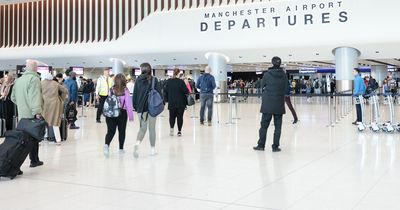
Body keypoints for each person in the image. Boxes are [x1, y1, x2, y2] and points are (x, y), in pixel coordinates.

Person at [11, 60, 44, 169]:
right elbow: (35, 98)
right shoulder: (34, 79)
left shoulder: (19, 80)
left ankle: (24, 162)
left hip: (22, 115)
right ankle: (33, 161)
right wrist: (37, 112)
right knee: (33, 139)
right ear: (35, 68)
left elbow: (13, 98)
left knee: (22, 139)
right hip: (31, 115)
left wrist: (22, 105)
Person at [253, 56, 288, 152]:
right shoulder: (284, 75)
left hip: (268, 104)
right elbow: (286, 89)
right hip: (279, 104)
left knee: (264, 126)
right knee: (278, 127)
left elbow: (262, 85)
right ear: (280, 64)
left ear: (272, 63)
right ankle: (275, 147)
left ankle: (261, 145)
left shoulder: (267, 74)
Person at [132, 63, 162, 158]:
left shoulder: (138, 80)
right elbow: (160, 94)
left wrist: (136, 107)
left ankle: (137, 144)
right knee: (152, 129)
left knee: (142, 129)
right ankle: (152, 150)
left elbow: (135, 95)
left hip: (141, 108)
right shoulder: (154, 80)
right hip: (152, 107)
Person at [103, 74, 134, 157]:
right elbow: (128, 104)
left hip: (111, 113)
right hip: (122, 113)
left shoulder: (111, 89)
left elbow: (109, 101)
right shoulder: (125, 90)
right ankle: (121, 149)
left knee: (110, 131)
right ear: (124, 80)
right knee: (122, 131)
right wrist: (131, 116)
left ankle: (106, 145)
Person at [41, 72, 68, 145]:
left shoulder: (41, 83)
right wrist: (61, 99)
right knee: (55, 121)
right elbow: (65, 91)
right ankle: (58, 140)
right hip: (55, 104)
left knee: (44, 121)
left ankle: (42, 138)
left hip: (45, 103)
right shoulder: (55, 83)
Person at [164, 68, 189, 137]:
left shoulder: (168, 81)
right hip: (181, 103)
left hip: (171, 102)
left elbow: (165, 92)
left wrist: (167, 100)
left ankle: (171, 130)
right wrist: (186, 84)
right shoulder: (181, 82)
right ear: (178, 73)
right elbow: (186, 91)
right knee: (180, 117)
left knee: (171, 117)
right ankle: (179, 131)